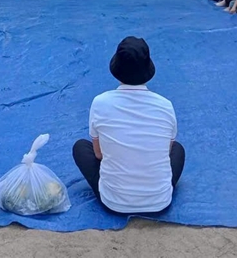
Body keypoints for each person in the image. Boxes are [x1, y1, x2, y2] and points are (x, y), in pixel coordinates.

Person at [72, 37, 184, 214]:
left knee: (80, 147)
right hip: (159, 201)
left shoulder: (100, 102)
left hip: (114, 202)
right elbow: (167, 151)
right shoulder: (165, 105)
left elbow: (99, 154)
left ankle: (120, 184)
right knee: (178, 149)